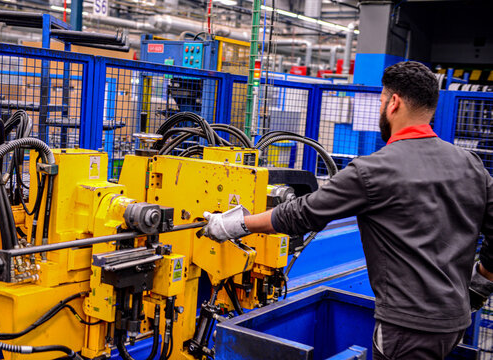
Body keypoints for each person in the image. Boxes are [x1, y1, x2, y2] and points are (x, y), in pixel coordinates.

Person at [202, 61, 493, 360]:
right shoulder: (471, 165)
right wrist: (480, 285)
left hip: (407, 328)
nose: (381, 107)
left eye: (381, 100)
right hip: (455, 321)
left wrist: (235, 225)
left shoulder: (375, 170)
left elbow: (302, 214)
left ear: (394, 103)